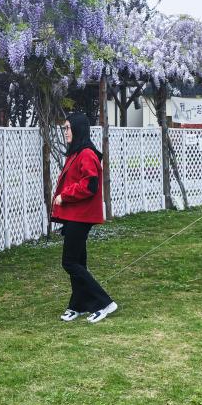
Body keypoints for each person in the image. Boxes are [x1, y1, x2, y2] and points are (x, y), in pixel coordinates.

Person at [51, 113, 117, 324]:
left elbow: (90, 185)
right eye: (64, 128)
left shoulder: (86, 154)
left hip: (81, 216)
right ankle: (78, 305)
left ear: (78, 129)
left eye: (68, 128)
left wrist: (64, 195)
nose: (66, 132)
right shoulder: (76, 153)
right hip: (74, 215)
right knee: (78, 262)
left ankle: (104, 302)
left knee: (69, 262)